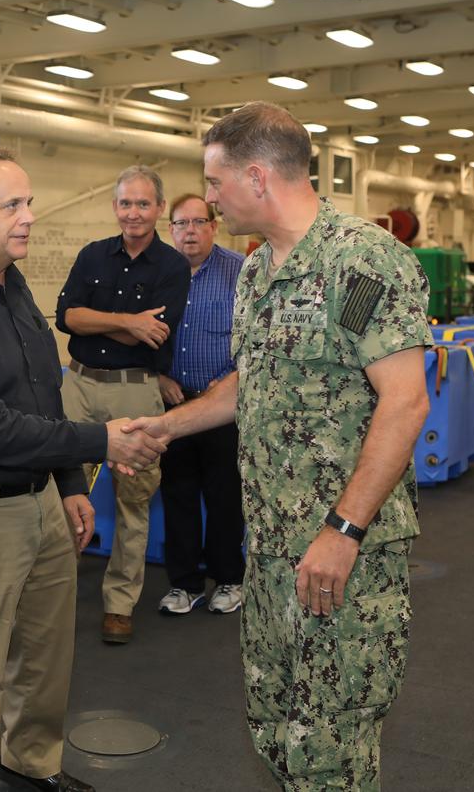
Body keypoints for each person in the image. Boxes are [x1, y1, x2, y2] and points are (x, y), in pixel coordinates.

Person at [126, 102, 431, 789]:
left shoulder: (363, 261)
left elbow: (405, 399)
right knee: (274, 725)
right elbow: (249, 382)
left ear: (257, 177)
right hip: (268, 550)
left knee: (332, 745)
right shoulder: (258, 272)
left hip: (340, 559)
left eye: (214, 180)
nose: (206, 198)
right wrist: (165, 426)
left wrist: (344, 529)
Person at [0, 145, 166, 792]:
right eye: (11, 204)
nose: (28, 216)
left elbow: (43, 387)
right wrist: (100, 439)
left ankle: (30, 764)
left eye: (28, 202)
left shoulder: (11, 284)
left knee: (45, 654)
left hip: (37, 498)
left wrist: (70, 482)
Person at [55, 164, 190, 644]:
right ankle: (49, 597)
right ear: (115, 207)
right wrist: (129, 322)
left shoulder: (172, 266)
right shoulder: (93, 255)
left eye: (143, 203)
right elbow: (66, 317)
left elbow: (156, 333)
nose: (133, 212)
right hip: (79, 385)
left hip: (136, 391)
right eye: (125, 203)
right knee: (60, 494)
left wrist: (108, 322)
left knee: (134, 499)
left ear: (158, 208)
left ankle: (119, 605)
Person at [154, 195, 246, 617]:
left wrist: (228, 381)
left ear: (213, 226)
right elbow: (143, 334)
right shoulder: (158, 274)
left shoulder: (239, 272)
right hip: (174, 404)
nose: (189, 231)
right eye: (180, 224)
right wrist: (160, 375)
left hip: (224, 406)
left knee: (225, 495)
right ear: (169, 229)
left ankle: (229, 578)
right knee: (178, 495)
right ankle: (184, 584)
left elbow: (252, 339)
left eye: (197, 222)